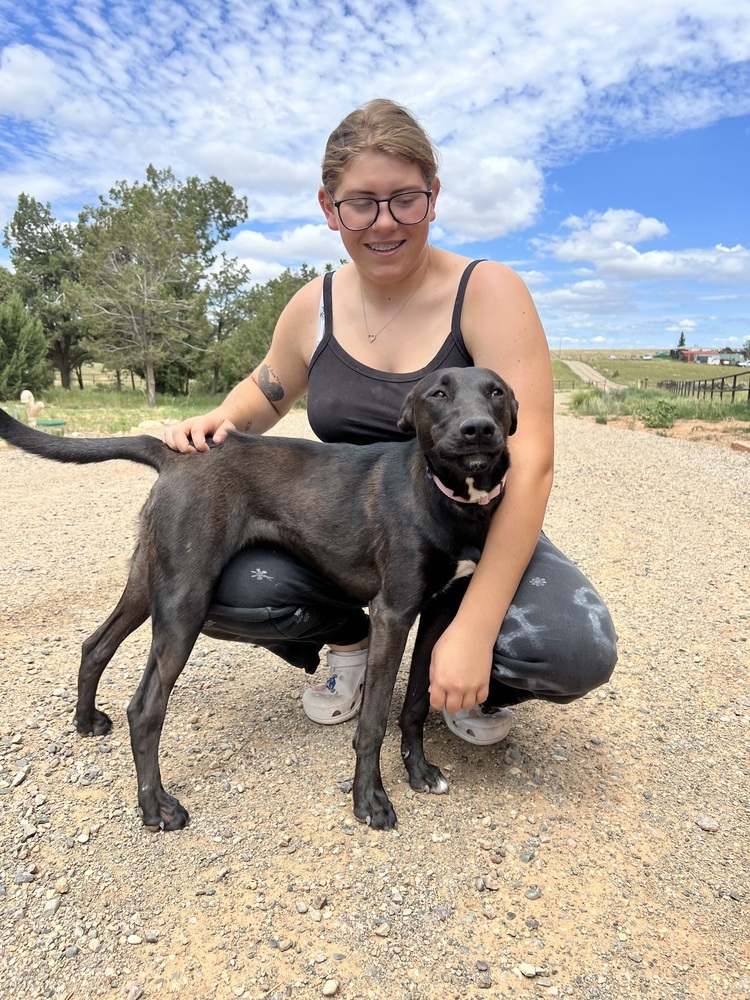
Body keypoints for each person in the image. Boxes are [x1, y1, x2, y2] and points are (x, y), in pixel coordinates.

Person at [164, 98, 617, 745]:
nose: (384, 222)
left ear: (433, 197)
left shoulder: (488, 292)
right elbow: (267, 388)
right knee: (215, 580)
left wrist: (477, 627)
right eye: (360, 202)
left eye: (405, 198)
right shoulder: (312, 306)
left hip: (466, 533)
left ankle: (459, 667)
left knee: (575, 648)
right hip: (355, 530)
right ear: (329, 208)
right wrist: (215, 421)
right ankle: (350, 643)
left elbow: (534, 461)